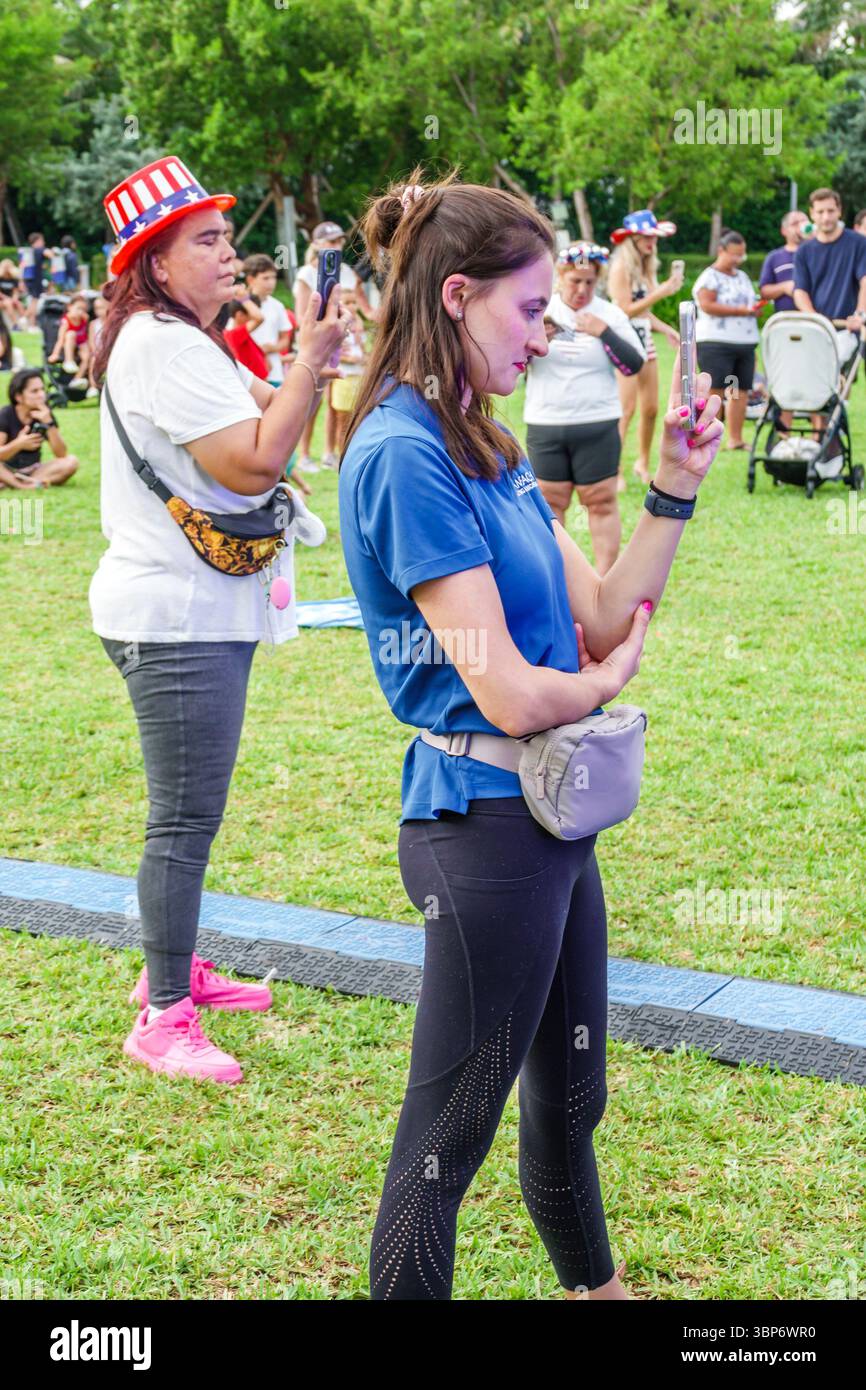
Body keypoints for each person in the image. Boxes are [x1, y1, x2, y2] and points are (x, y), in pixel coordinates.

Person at [337, 169, 723, 1301]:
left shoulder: (486, 444)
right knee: (442, 1146)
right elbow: (504, 688)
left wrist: (670, 493)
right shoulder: (402, 451)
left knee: (569, 1097)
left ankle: (599, 1294)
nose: (546, 331)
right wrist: (599, 681)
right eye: (528, 308)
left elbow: (601, 608)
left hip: (546, 816)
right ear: (455, 295)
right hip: (481, 829)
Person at [90, 155, 349, 1083]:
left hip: (178, 608)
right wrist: (313, 363)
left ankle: (174, 964)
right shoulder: (166, 344)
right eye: (206, 239)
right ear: (156, 263)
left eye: (226, 234)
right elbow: (249, 465)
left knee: (188, 814)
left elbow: (240, 459)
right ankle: (164, 1014)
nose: (228, 251)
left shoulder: (168, 337)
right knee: (183, 819)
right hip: (176, 617)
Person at [523, 242, 645, 573]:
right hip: (546, 421)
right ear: (559, 277)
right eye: (575, 281)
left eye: (590, 282)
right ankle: (559, 580)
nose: (582, 289)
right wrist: (534, 340)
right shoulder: (537, 310)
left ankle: (605, 582)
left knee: (601, 502)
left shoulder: (609, 314)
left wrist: (603, 333)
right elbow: (510, 361)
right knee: (551, 504)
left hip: (598, 422)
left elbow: (633, 364)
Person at [292, 221, 377, 470]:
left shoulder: (347, 271)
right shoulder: (307, 274)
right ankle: (304, 454)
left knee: (335, 402)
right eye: (330, 241)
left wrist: (363, 319)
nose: (336, 245)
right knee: (313, 400)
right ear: (317, 244)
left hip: (342, 340)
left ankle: (331, 452)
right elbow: (302, 316)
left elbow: (354, 304)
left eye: (339, 240)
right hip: (318, 341)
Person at [607, 209, 682, 487]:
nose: (653, 243)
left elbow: (644, 312)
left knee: (651, 408)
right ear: (634, 239)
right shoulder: (620, 268)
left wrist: (667, 329)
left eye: (654, 238)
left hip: (644, 337)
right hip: (624, 338)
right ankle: (613, 470)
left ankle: (642, 462)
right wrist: (661, 292)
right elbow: (625, 310)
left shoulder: (646, 267)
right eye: (647, 238)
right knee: (626, 409)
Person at [692, 230, 761, 451]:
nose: (738, 259)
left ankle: (735, 438)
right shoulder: (709, 277)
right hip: (716, 343)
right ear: (721, 250)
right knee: (716, 390)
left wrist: (754, 309)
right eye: (734, 255)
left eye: (742, 255)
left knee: (739, 392)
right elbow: (707, 305)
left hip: (744, 343)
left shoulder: (742, 277)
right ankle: (705, 435)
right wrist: (741, 311)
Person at [0, 367, 80, 490]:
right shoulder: (5, 414)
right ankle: (20, 485)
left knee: (71, 462)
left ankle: (19, 483)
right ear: (18, 397)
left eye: (42, 389)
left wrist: (49, 423)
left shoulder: (45, 414)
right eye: (34, 391)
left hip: (34, 470)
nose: (41, 395)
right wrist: (18, 444)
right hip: (5, 469)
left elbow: (61, 454)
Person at [241, 253, 292, 388]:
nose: (271, 282)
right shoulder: (239, 305)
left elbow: (285, 340)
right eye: (265, 278)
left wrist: (271, 348)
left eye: (274, 277)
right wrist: (256, 350)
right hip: (247, 373)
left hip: (274, 373)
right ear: (251, 279)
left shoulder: (278, 306)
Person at [759, 211, 808, 313]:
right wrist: (785, 287)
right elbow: (764, 291)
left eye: (804, 222)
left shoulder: (818, 253)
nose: (800, 226)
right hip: (786, 320)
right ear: (783, 230)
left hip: (816, 319)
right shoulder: (774, 257)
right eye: (795, 224)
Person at [47, 294, 91, 385]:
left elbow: (86, 332)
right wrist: (55, 354)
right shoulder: (66, 321)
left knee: (87, 357)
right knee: (71, 334)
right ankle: (69, 360)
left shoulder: (84, 318)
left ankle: (77, 379)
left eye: (83, 309)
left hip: (82, 342)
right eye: (78, 308)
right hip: (69, 342)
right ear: (69, 307)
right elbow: (60, 339)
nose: (81, 312)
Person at [19, 232, 46, 328]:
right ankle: (24, 319)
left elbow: (22, 266)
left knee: (33, 301)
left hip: (29, 279)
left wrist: (21, 280)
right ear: (37, 241)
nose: (43, 242)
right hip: (35, 280)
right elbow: (49, 253)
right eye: (42, 240)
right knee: (35, 301)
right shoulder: (38, 250)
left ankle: (32, 324)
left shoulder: (27, 252)